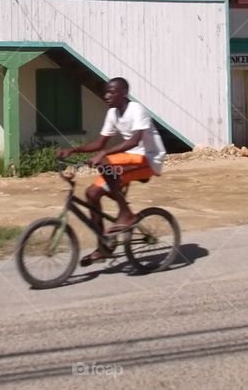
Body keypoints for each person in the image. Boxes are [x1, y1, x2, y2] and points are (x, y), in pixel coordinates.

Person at [57, 77, 166, 266]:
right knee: (91, 193)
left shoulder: (137, 110)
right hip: (130, 158)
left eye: (111, 92)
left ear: (123, 93)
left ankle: (126, 214)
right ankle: (104, 247)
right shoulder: (112, 114)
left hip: (149, 158)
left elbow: (134, 141)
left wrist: (103, 154)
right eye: (106, 92)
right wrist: (73, 150)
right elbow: (100, 143)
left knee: (106, 162)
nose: (106, 96)